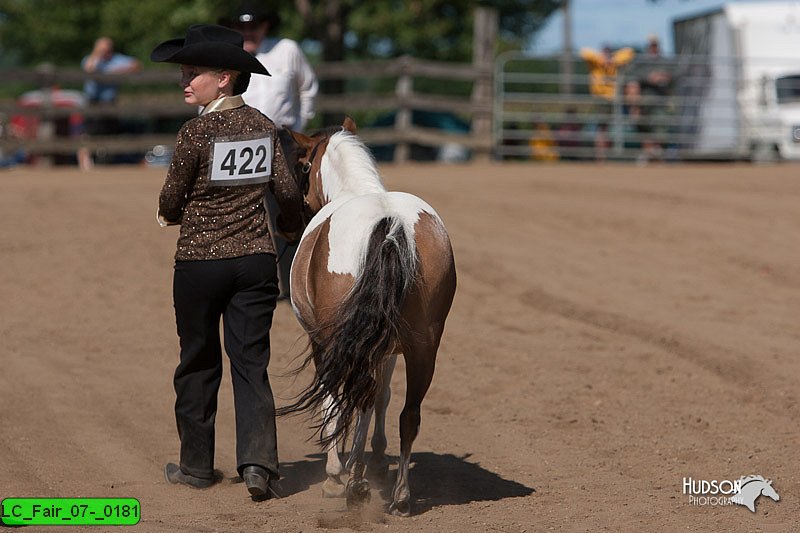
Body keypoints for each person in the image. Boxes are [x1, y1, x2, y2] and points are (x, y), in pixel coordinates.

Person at [150, 24, 304, 500]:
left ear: (224, 78)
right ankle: (258, 465)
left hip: (200, 263)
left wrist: (169, 214)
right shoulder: (263, 127)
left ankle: (196, 466)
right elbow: (286, 193)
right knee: (251, 364)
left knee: (197, 361)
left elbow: (172, 199)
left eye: (193, 73)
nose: (185, 82)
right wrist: (291, 225)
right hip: (257, 262)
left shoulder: (194, 133)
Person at [220, 2, 318, 299]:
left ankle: (292, 286)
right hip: (237, 141)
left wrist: (297, 129)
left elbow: (308, 88)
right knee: (236, 212)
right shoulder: (226, 55)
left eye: (254, 25)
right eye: (242, 26)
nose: (248, 31)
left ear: (266, 25)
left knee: (287, 211)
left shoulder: (287, 50)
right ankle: (241, 283)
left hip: (281, 139)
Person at [79, 37, 141, 169]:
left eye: (108, 48)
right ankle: (86, 161)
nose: (106, 51)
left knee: (110, 132)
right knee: (89, 133)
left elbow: (136, 65)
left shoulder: (116, 59)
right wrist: (97, 54)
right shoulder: (91, 59)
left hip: (110, 102)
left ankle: (106, 162)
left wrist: (115, 72)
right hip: (93, 101)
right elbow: (89, 68)